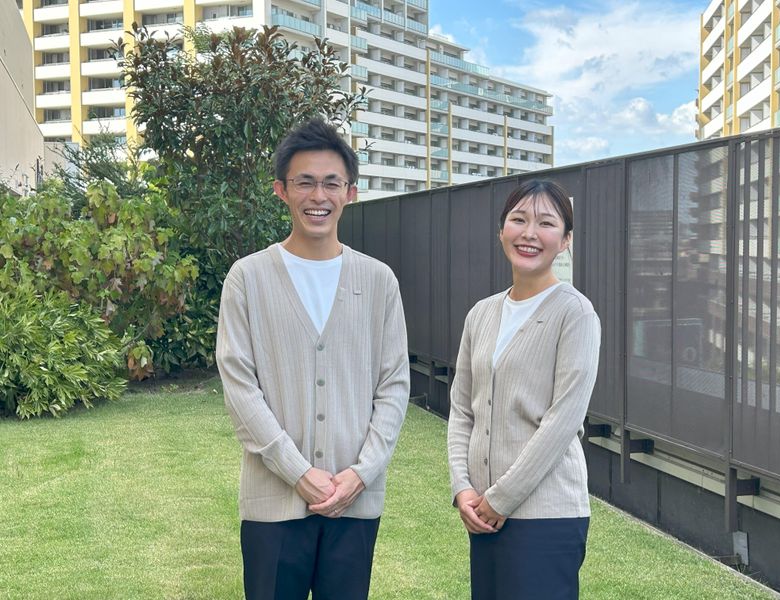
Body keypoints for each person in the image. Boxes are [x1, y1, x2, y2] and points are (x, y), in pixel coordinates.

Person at [216, 118, 409, 600]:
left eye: (331, 183)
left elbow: (393, 386)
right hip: (273, 503)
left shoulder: (379, 281)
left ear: (351, 192)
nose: (317, 196)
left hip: (354, 499)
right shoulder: (248, 278)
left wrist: (361, 474)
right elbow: (240, 388)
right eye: (304, 182)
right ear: (281, 190)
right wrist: (298, 473)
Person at [447, 179, 601, 600]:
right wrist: (463, 489)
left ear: (565, 240)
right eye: (518, 220)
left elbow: (562, 423)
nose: (529, 233)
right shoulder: (481, 314)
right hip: (482, 513)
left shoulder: (576, 314)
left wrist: (501, 499)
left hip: (546, 517)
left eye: (546, 223)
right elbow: (462, 410)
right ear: (502, 231)